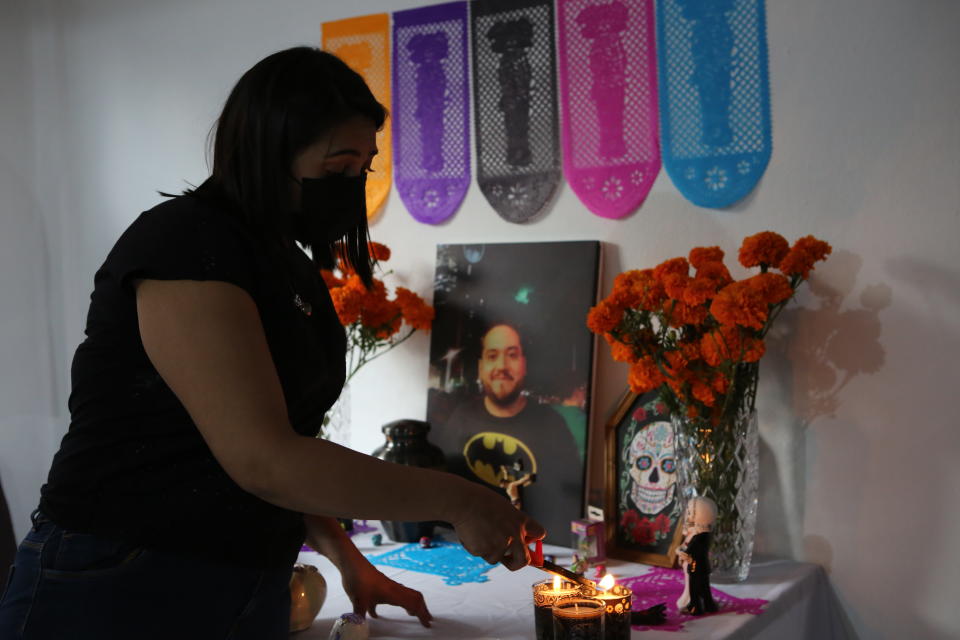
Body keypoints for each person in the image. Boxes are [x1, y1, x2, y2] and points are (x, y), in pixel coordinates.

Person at [0, 47, 543, 640]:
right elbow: (262, 458)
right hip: (118, 577)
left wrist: (347, 557)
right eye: (338, 168)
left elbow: (287, 443)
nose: (352, 186)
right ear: (268, 150)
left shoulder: (283, 262)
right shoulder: (187, 246)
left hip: (234, 578)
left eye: (363, 168)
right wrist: (459, 501)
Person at [435, 323, 582, 544]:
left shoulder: (552, 425)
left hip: (535, 545)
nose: (502, 366)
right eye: (492, 356)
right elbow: (444, 492)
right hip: (468, 543)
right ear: (481, 365)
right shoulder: (461, 419)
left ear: (524, 364)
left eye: (512, 355)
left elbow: (567, 502)